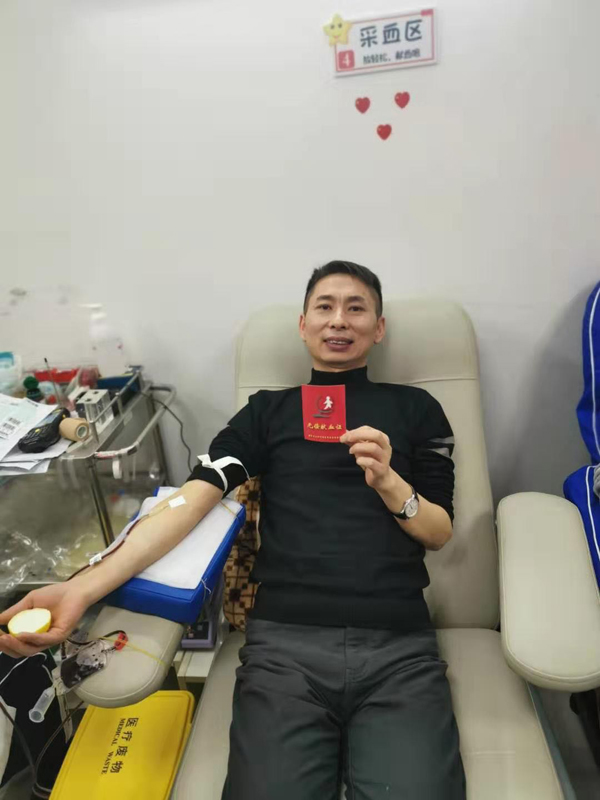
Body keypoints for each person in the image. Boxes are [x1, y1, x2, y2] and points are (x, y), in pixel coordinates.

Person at [0, 261, 466, 799]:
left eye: (356, 308)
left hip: (398, 645)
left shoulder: (416, 409)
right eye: (325, 307)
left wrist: (389, 482)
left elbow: (438, 532)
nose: (339, 319)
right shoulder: (267, 412)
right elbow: (189, 503)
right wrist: (80, 588)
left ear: (378, 328)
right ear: (304, 325)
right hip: (284, 649)